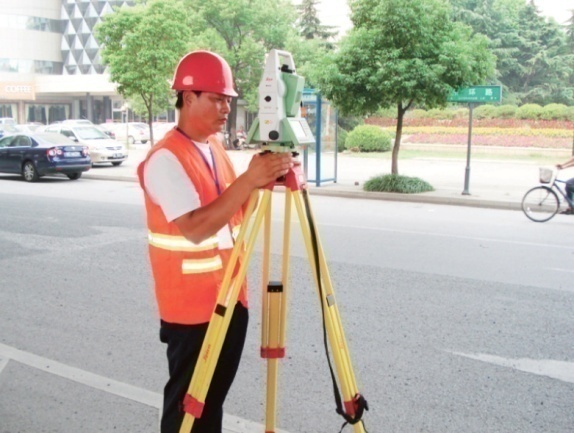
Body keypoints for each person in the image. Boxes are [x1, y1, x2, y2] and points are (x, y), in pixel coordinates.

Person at [137, 50, 293, 433]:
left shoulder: (215, 148)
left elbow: (234, 212)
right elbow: (195, 227)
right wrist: (249, 179)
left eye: (228, 99)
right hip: (192, 311)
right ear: (188, 97)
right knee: (188, 409)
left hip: (230, 298)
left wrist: (263, 180)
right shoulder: (165, 159)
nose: (226, 108)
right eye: (217, 98)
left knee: (210, 407)